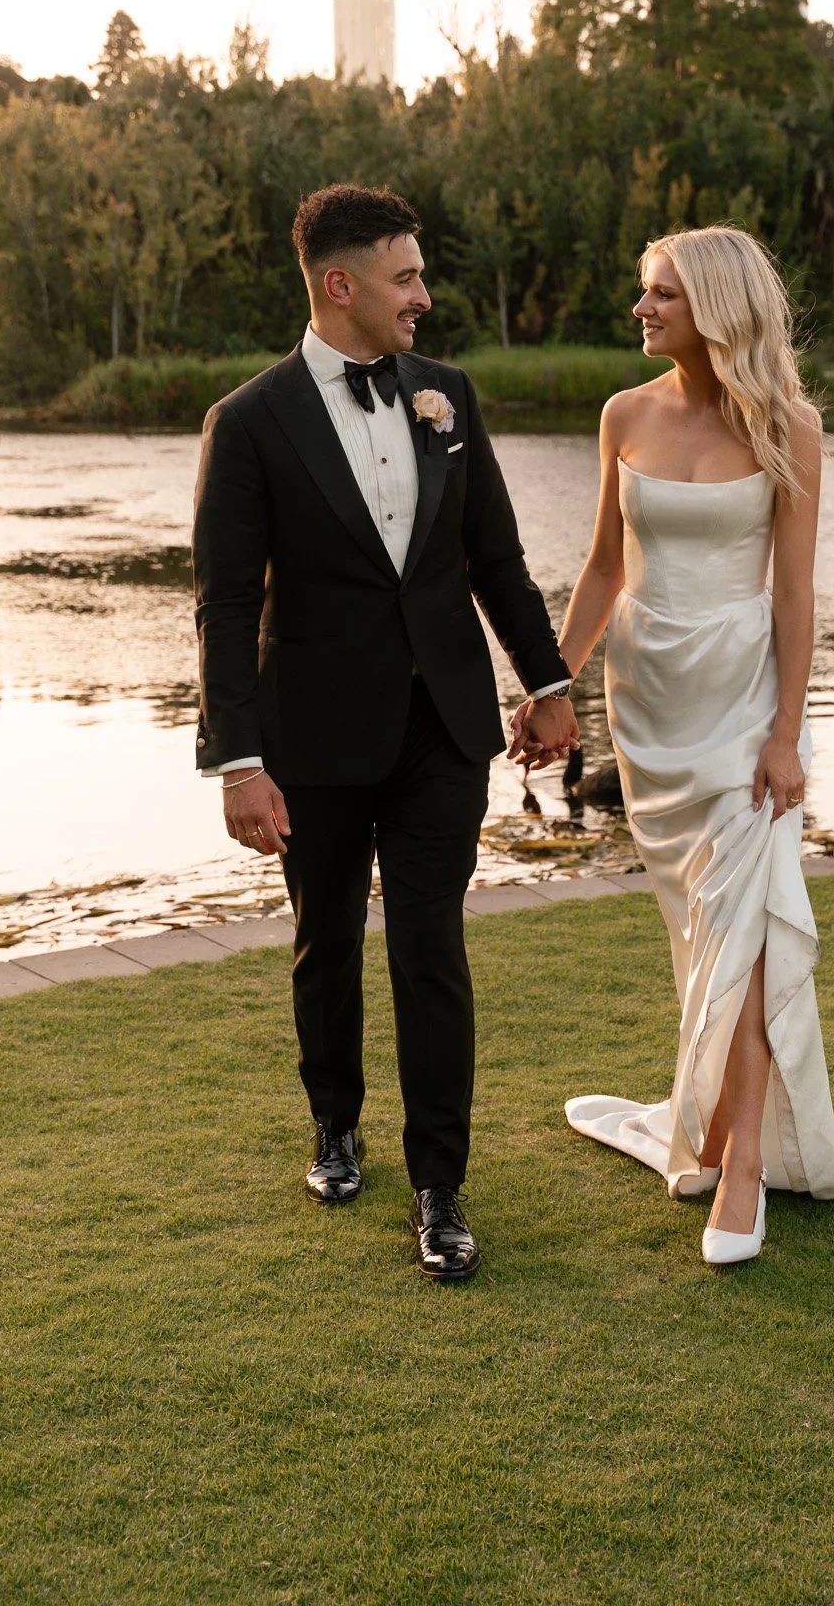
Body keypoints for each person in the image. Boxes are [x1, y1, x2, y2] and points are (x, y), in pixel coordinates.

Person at [192, 184, 578, 1281]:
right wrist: (237, 759)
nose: (424, 294)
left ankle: (440, 1187)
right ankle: (334, 1124)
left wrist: (547, 682)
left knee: (432, 948)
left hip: (442, 731)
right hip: (309, 737)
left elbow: (494, 559)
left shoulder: (448, 396)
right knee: (324, 940)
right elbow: (223, 602)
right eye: (406, 275)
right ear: (341, 283)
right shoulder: (251, 420)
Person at [512, 226, 834, 1266]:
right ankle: (711, 1120)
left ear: (713, 305)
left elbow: (793, 593)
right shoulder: (625, 413)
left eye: (659, 292)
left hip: (742, 698)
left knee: (745, 926)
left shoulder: (790, 427)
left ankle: (743, 1159)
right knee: (700, 924)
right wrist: (547, 681)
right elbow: (604, 566)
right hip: (647, 696)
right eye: (641, 291)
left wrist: (787, 734)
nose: (641, 308)